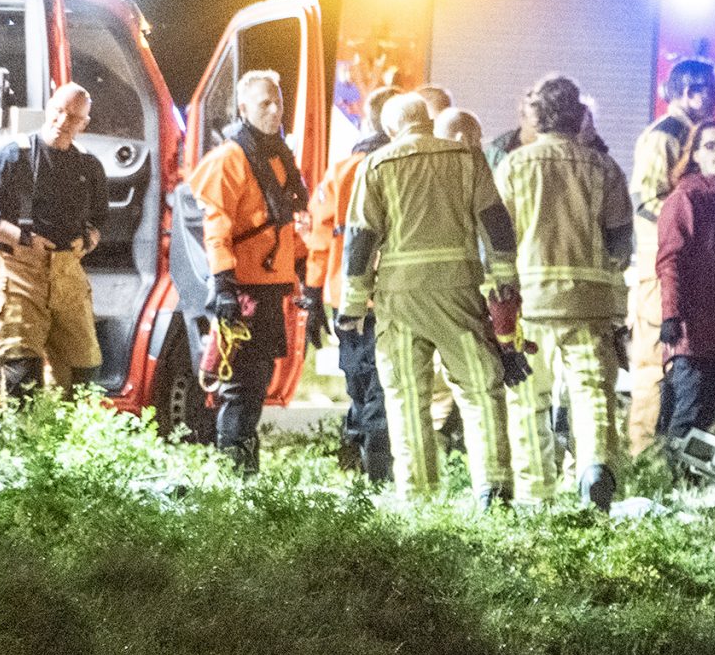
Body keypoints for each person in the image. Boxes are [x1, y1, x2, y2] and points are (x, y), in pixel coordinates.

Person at [340, 91, 519, 505]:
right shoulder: (465, 158)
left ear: (390, 129)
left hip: (399, 299)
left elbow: (361, 241)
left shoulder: (377, 164)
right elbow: (495, 220)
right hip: (458, 292)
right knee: (480, 389)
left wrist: (352, 306)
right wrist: (504, 282)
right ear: (426, 118)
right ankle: (493, 488)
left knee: (406, 396)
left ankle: (419, 495)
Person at [495, 75, 631, 509]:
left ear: (536, 117)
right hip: (589, 303)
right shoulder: (603, 168)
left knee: (528, 400)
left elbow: (499, 242)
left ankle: (535, 493)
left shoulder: (514, 165)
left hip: (531, 305)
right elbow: (621, 242)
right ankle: (594, 467)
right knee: (591, 390)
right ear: (578, 117)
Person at [187, 70, 312, 473]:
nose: (275, 110)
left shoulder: (277, 156)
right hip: (243, 291)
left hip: (271, 288)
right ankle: (233, 475)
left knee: (256, 385)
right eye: (264, 103)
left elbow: (286, 226)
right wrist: (223, 285)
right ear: (243, 108)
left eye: (278, 101)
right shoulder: (230, 158)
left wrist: (308, 277)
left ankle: (244, 472)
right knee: (240, 388)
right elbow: (216, 227)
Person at [0, 83, 107, 401]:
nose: (63, 120)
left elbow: (100, 219)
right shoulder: (12, 155)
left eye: (73, 116)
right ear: (48, 108)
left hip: (67, 273)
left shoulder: (89, 166)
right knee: (21, 374)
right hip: (19, 272)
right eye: (59, 110)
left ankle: (72, 447)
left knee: (85, 374)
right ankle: (24, 445)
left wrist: (89, 240)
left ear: (84, 123)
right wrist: (21, 238)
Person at [626, 57, 715, 453]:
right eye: (710, 91)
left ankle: (672, 454)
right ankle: (644, 454)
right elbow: (648, 202)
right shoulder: (665, 136)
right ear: (687, 92)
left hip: (681, 269)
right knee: (653, 365)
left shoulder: (691, 135)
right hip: (658, 270)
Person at [308, 85, 398, 481]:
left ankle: (358, 458)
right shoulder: (398, 165)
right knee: (382, 382)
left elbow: (319, 234)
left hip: (343, 294)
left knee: (359, 379)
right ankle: (376, 468)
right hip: (389, 292)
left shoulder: (342, 170)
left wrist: (312, 291)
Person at [654, 117, 715, 447]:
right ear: (694, 153)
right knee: (687, 416)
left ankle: (686, 485)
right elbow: (670, 261)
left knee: (704, 417)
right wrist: (670, 315)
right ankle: (670, 487)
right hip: (692, 332)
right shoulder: (685, 200)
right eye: (710, 146)